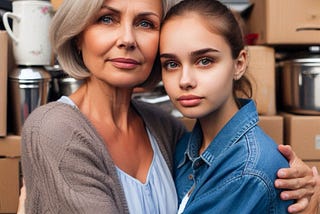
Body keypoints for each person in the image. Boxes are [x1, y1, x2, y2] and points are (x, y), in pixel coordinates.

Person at [19, 0, 316, 213]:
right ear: (78, 34)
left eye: (145, 23)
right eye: (107, 18)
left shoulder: (166, 128)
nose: (127, 39)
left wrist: (306, 184)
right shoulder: (55, 130)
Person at [159, 0, 318, 213]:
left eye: (205, 61)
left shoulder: (248, 172)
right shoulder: (184, 147)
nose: (185, 80)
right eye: (172, 64)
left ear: (239, 64)